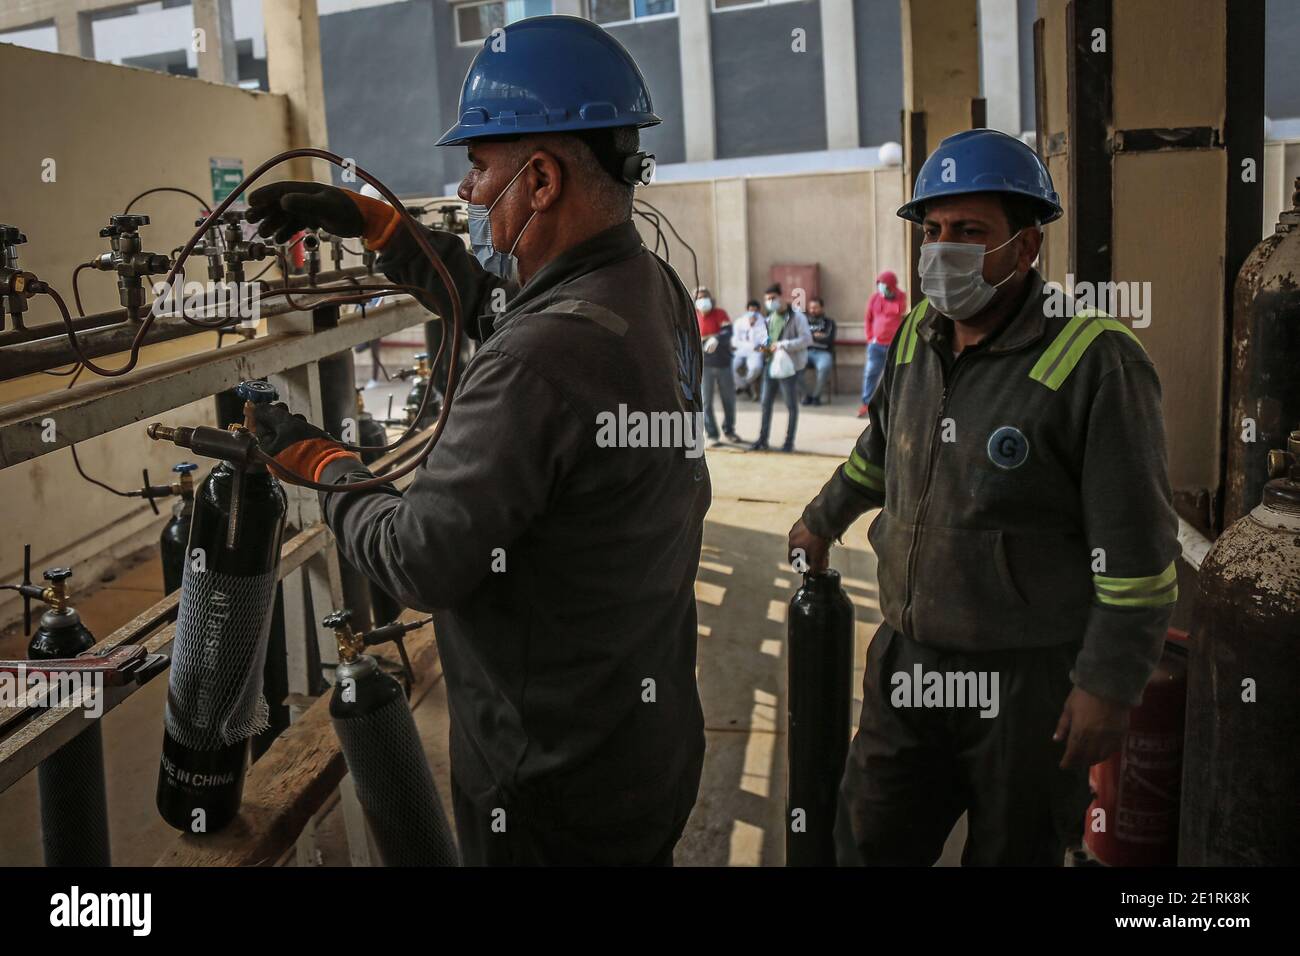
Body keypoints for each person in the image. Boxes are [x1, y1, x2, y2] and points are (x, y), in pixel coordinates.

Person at [245, 16, 707, 866]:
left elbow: (421, 558)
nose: (463, 187)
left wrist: (318, 461)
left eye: (478, 165)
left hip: (550, 784)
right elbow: (490, 303)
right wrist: (375, 225)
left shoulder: (541, 361)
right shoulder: (647, 290)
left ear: (538, 178)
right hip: (643, 745)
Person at [787, 128, 1179, 866]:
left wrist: (1108, 684)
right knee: (867, 844)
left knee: (1013, 852)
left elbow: (1137, 557)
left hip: (1028, 686)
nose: (942, 249)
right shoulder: (913, 339)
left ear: (1026, 248)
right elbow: (880, 459)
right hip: (908, 661)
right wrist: (821, 518)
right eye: (933, 230)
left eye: (969, 232)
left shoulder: (1096, 362)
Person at [750, 283, 812, 453]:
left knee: (791, 406)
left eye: (773, 298)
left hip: (788, 367)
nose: (770, 302)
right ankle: (762, 440)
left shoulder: (797, 317)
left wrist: (783, 345)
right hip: (771, 365)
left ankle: (789, 442)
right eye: (767, 300)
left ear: (782, 296)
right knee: (765, 404)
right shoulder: (770, 318)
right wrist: (763, 346)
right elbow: (769, 340)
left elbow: (807, 339)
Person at [695, 285, 741, 445]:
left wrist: (716, 338)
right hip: (704, 365)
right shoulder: (693, 315)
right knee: (705, 401)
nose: (702, 300)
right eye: (699, 297)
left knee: (728, 399)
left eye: (705, 296)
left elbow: (728, 331)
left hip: (723, 363)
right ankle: (712, 434)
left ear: (711, 298)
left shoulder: (720, 314)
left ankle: (729, 430)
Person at [861, 270, 906, 417]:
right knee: (871, 373)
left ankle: (893, 405)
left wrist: (891, 297)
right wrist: (870, 337)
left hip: (893, 345)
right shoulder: (874, 298)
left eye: (884, 284)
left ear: (891, 286)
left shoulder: (900, 297)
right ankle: (866, 402)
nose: (881, 287)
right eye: (879, 284)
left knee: (894, 374)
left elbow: (899, 310)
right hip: (876, 345)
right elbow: (868, 318)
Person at [800, 297, 837, 406]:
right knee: (794, 367)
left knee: (824, 367)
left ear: (821, 308)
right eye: (811, 307)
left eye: (816, 307)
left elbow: (829, 340)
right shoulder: (803, 322)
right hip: (805, 352)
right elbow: (800, 338)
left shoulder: (829, 322)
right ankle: (806, 395)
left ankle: (816, 396)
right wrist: (817, 336)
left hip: (823, 353)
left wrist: (809, 337)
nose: (813, 310)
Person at [731, 299, 766, 400]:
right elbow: (735, 341)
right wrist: (749, 346)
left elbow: (764, 339)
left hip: (755, 352)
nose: (753, 313)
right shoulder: (739, 322)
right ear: (747, 310)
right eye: (751, 310)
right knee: (730, 367)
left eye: (755, 310)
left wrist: (761, 346)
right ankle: (744, 386)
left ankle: (743, 385)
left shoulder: (763, 322)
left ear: (758, 311)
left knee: (756, 368)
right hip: (740, 350)